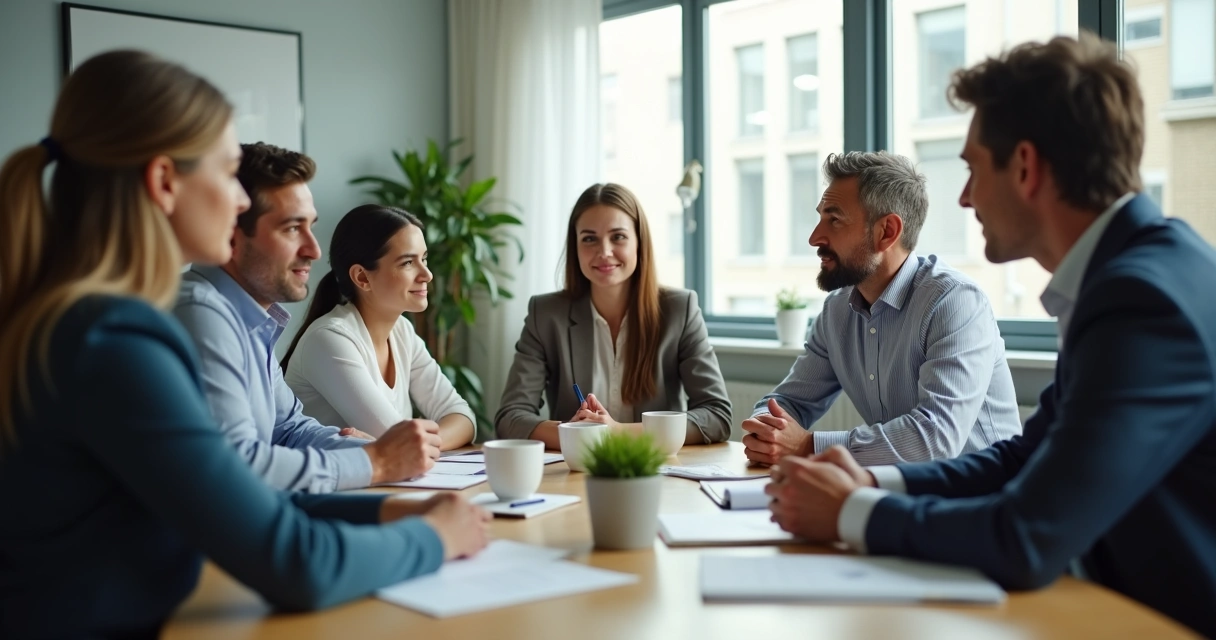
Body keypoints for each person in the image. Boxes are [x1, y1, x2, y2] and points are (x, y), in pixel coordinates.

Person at [0, 50, 489, 639]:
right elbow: (295, 563)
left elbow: (239, 493)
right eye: (227, 172)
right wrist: (433, 538)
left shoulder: (93, 321)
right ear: (164, 182)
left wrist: (387, 508)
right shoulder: (115, 340)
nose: (238, 201)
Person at [765, 35, 1216, 638]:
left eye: (974, 168)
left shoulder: (1140, 301)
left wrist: (853, 511)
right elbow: (1024, 457)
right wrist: (871, 480)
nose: (964, 196)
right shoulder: (1137, 272)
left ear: (1025, 167)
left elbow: (1027, 536)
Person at [174, 143, 441, 493]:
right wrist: (376, 461)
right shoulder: (202, 315)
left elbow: (289, 430)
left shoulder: (250, 320)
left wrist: (375, 452)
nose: (314, 250)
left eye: (310, 226)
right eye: (291, 228)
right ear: (232, 236)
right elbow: (237, 467)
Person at [741, 152, 1021, 467]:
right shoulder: (837, 311)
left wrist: (808, 446)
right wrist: (766, 427)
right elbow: (788, 402)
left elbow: (936, 439)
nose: (814, 237)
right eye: (820, 217)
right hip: (902, 489)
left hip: (986, 492)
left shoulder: (955, 302)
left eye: (834, 219)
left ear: (887, 232)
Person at [495, 182, 731, 448]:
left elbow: (716, 415)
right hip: (578, 466)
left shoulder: (680, 310)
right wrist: (575, 433)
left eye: (618, 237)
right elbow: (510, 418)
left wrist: (617, 432)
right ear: (575, 247)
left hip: (654, 466)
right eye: (589, 239)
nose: (604, 252)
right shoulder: (546, 314)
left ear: (639, 242)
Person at [281, 204, 476, 448]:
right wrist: (406, 443)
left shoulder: (402, 331)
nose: (427, 274)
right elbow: (399, 442)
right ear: (362, 277)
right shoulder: (328, 339)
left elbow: (463, 418)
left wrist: (414, 443)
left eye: (424, 258)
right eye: (407, 263)